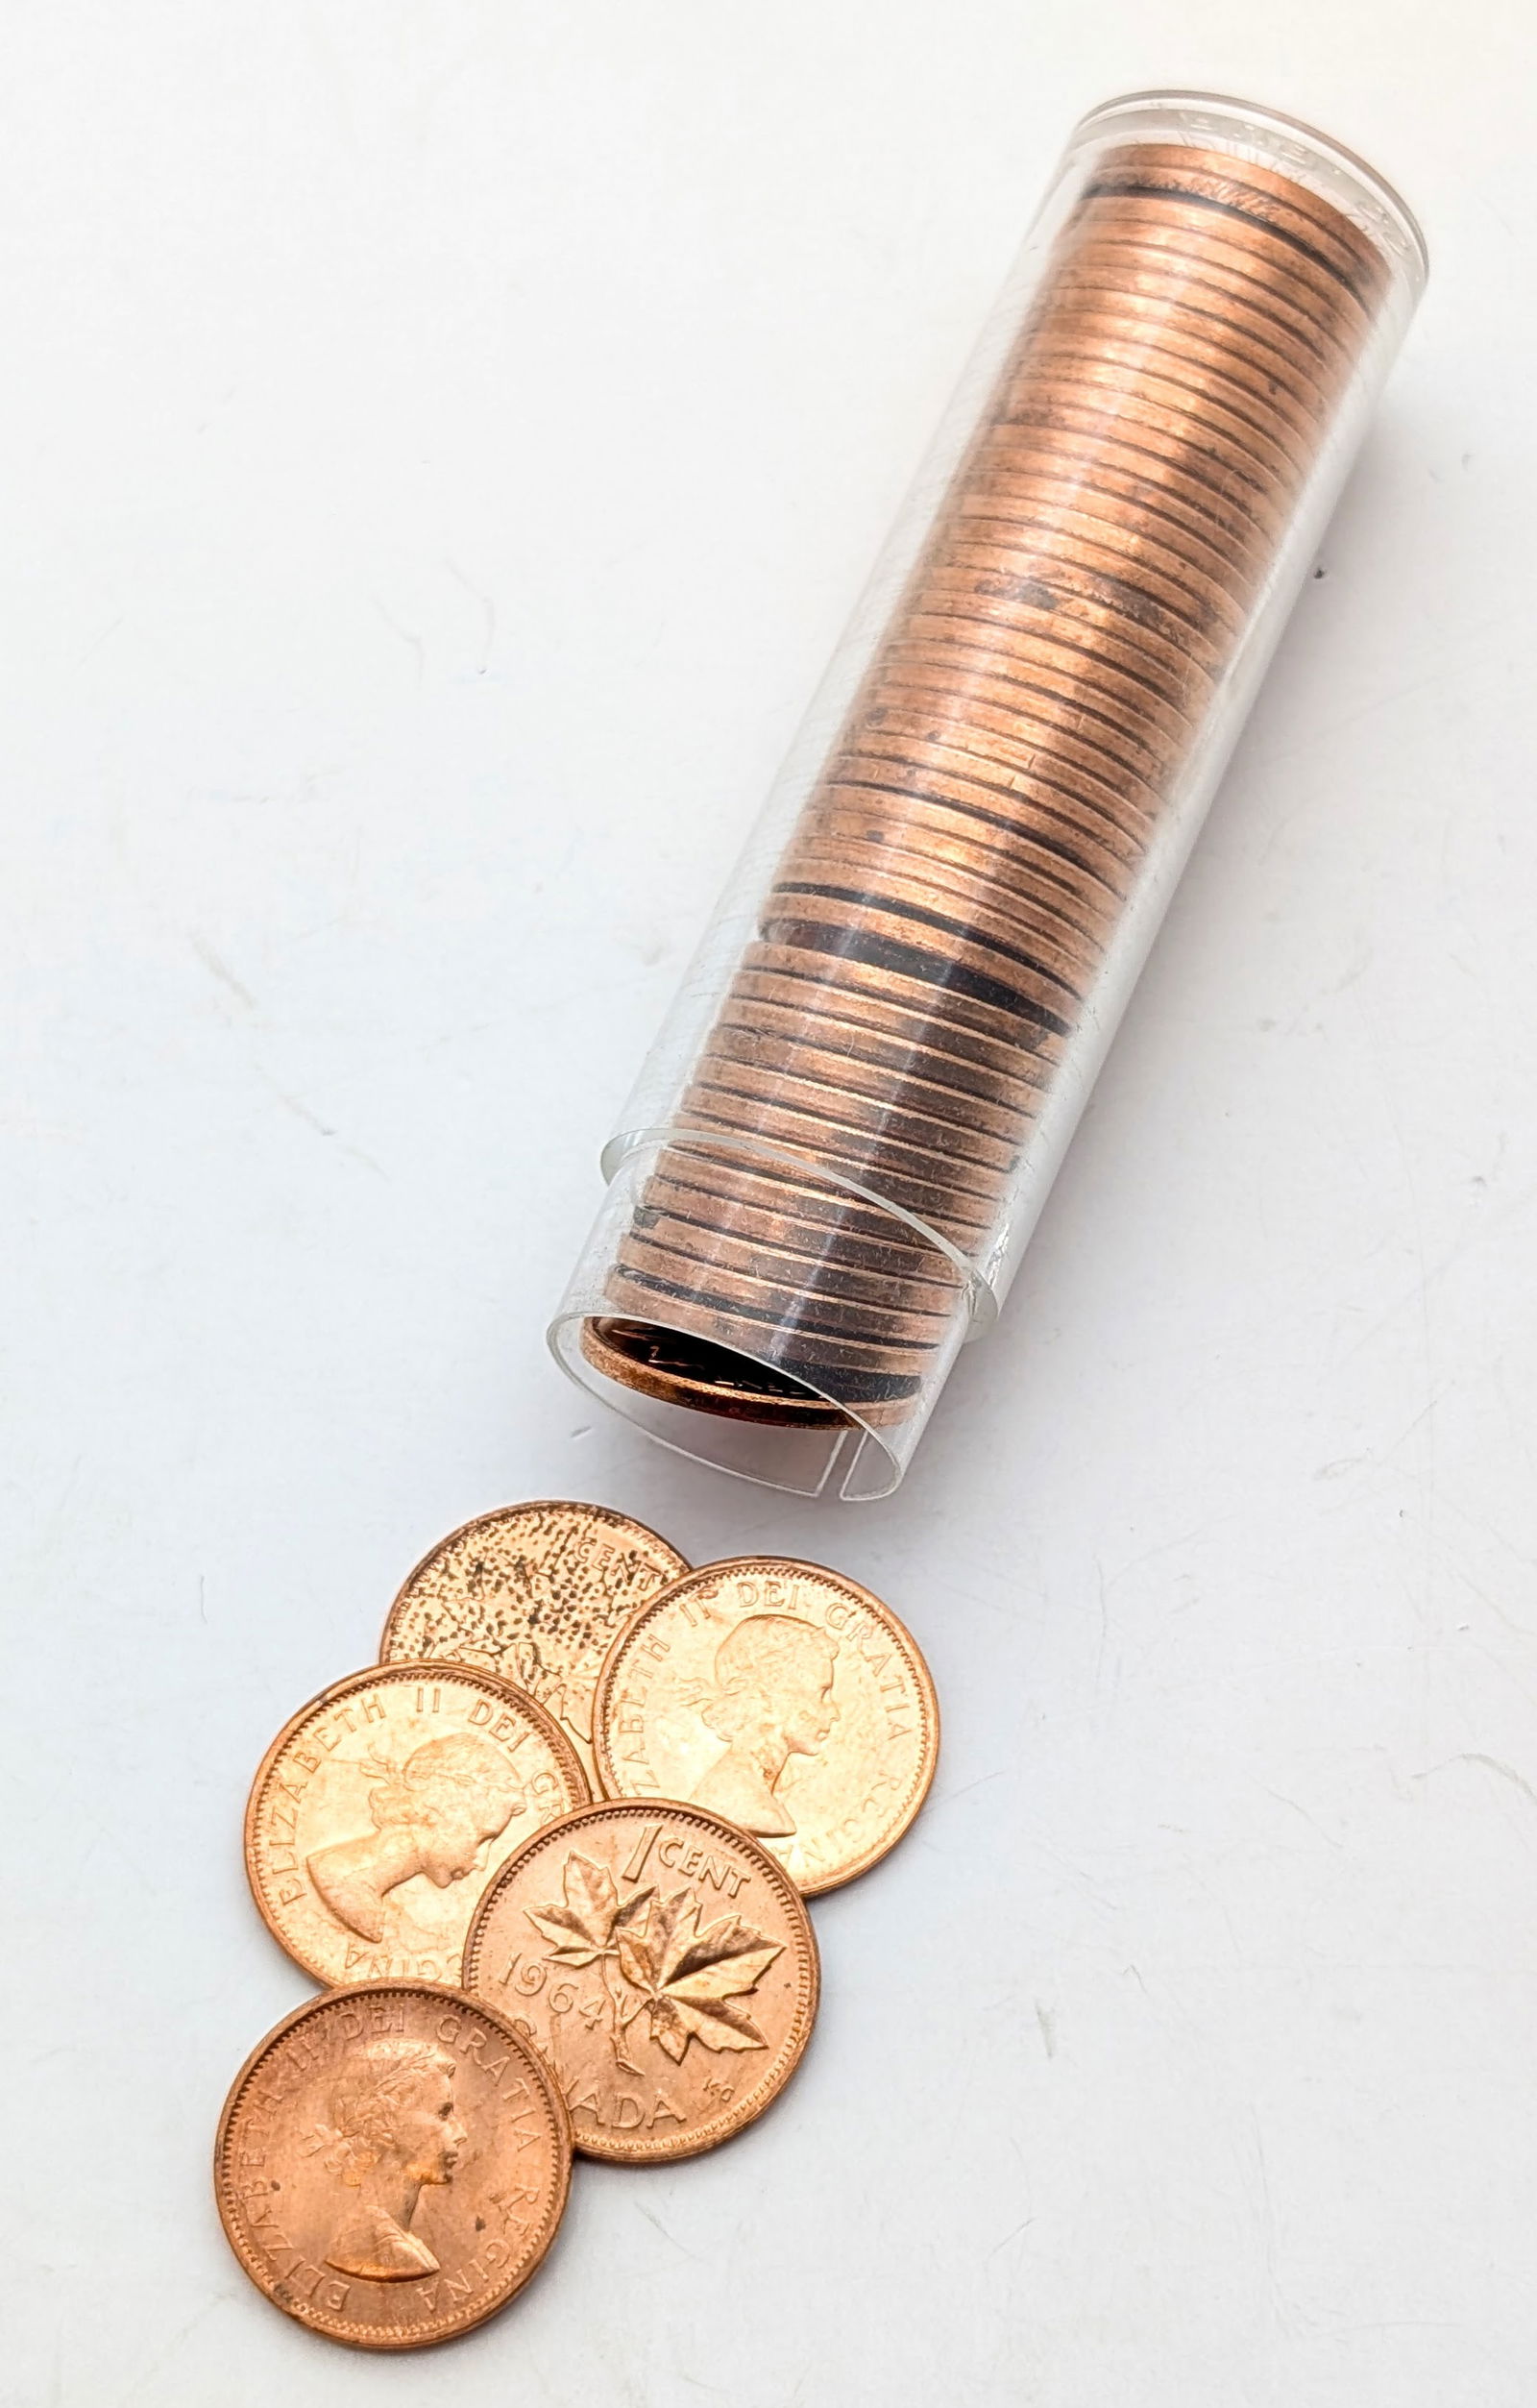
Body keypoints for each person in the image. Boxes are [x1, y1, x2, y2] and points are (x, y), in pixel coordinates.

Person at [307, 1731, 525, 1943]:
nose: (482, 1862)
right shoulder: (341, 1881)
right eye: (483, 1838)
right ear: (443, 1805)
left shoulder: (357, 1891)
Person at [322, 2037, 466, 2280]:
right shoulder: (380, 2248)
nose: (461, 2133)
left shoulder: (402, 2241)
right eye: (443, 2113)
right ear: (387, 2121)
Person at [688, 1615, 839, 1838]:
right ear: (771, 1695)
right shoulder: (737, 1800)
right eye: (822, 1693)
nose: (834, 1713)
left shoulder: (759, 1795)